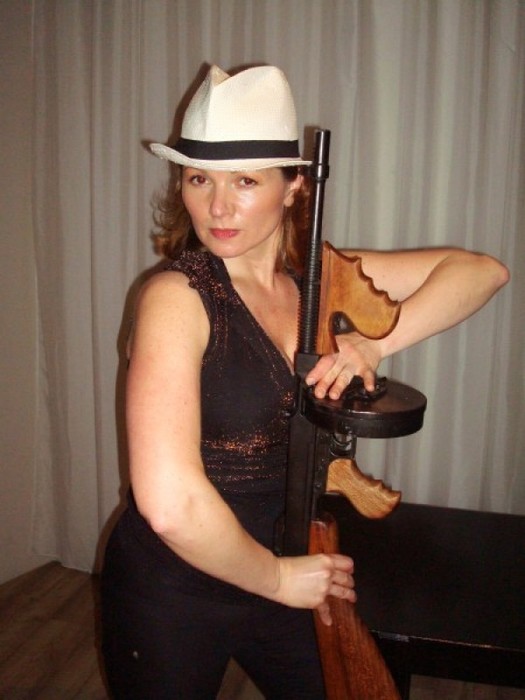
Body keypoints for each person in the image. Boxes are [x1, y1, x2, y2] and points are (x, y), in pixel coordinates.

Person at [100, 65, 509, 699]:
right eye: (199, 178)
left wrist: (376, 342)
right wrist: (277, 579)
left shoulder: (318, 281)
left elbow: (481, 272)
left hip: (288, 564)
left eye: (245, 181)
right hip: (176, 590)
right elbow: (170, 503)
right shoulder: (175, 298)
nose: (217, 206)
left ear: (293, 186)